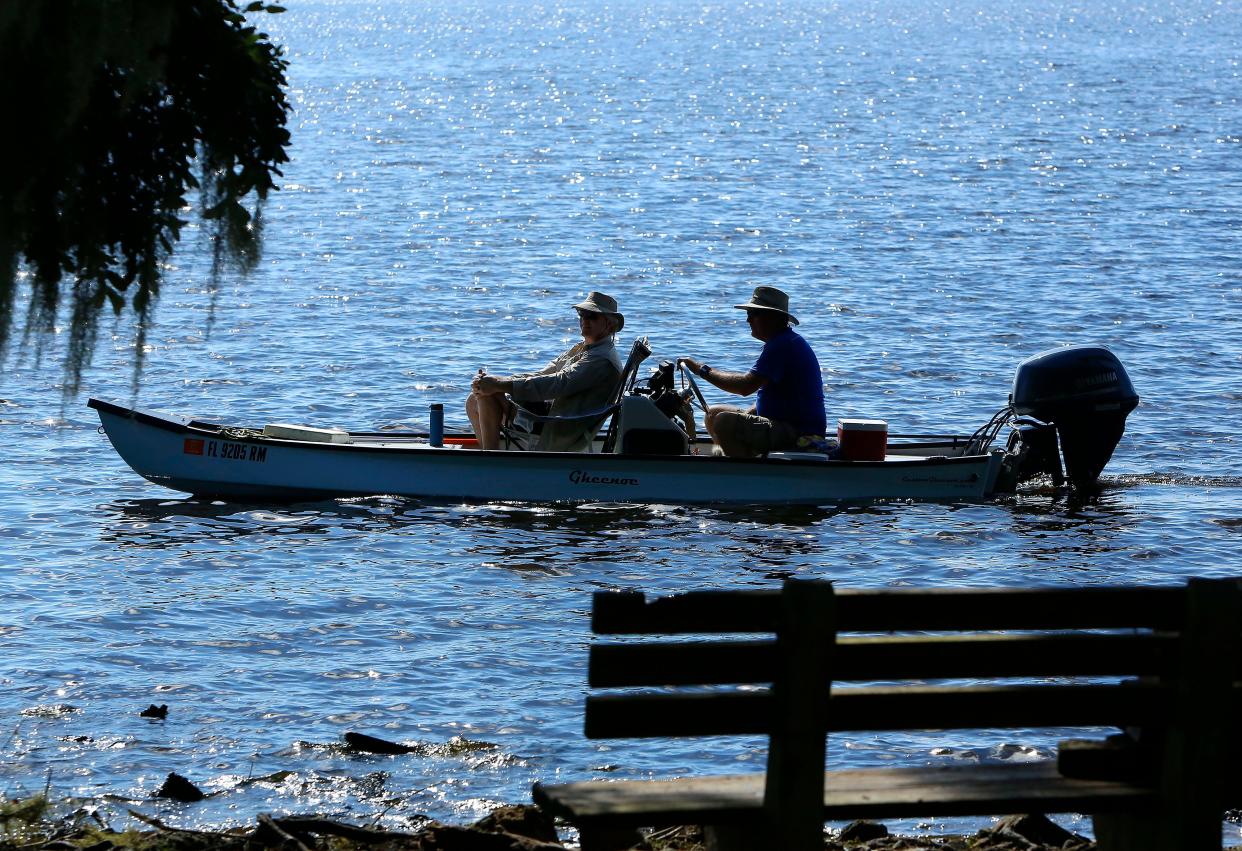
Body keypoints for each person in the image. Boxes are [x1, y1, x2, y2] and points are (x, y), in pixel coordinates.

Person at [679, 286, 826, 458]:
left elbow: (745, 386)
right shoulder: (783, 342)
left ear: (772, 318)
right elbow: (778, 397)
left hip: (800, 434)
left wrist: (701, 370)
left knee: (723, 422)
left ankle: (744, 475)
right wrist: (748, 414)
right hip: (785, 424)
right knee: (712, 414)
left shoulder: (783, 346)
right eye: (748, 313)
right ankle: (735, 461)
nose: (748, 319)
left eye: (753, 314)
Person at [466, 292, 624, 451]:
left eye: (592, 316)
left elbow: (557, 383)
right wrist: (497, 381)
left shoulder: (601, 359)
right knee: (475, 397)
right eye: (582, 314)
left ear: (610, 325)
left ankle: (490, 462)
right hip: (551, 414)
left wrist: (499, 385)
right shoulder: (583, 348)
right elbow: (542, 375)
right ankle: (489, 455)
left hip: (559, 427)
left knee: (486, 397)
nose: (584, 320)